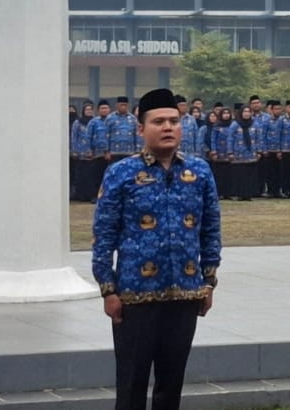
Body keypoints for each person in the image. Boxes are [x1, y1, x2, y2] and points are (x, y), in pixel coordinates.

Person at [91, 88, 221, 410]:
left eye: (174, 121)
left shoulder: (200, 172)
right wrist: (108, 288)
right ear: (141, 129)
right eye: (159, 121)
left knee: (171, 384)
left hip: (185, 295)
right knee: (132, 384)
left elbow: (210, 229)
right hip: (135, 297)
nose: (168, 127)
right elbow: (103, 236)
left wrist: (209, 282)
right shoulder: (121, 173)